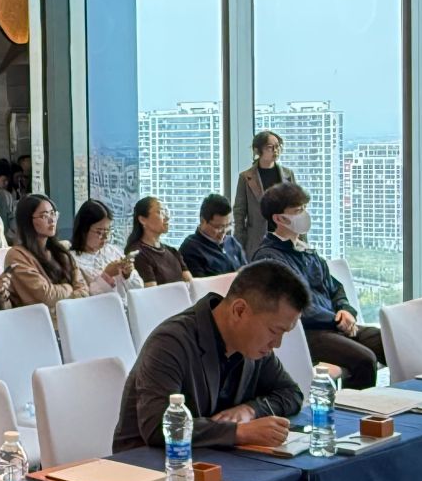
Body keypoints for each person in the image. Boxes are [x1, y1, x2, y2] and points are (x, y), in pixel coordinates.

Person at [112, 259, 309, 453]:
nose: (277, 344)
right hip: (150, 463)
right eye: (274, 331)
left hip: (214, 456)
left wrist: (251, 410)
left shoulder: (252, 345)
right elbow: (159, 427)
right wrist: (238, 432)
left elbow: (291, 393)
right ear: (239, 311)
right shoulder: (171, 342)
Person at [248, 182, 386, 388]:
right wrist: (336, 320)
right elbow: (294, 305)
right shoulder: (270, 257)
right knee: (364, 359)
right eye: (298, 210)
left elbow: (334, 287)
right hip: (307, 333)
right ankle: (353, 408)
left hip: (333, 325)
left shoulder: (305, 251)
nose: (304, 214)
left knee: (389, 342)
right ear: (279, 219)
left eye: (304, 208)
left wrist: (345, 311)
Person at [2, 194, 86, 309]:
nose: (52, 220)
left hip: (72, 313)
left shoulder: (61, 249)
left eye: (53, 213)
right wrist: (70, 288)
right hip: (40, 318)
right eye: (44, 216)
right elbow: (45, 296)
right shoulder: (16, 256)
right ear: (27, 221)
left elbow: (83, 288)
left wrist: (73, 294)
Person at [230, 130, 286, 258]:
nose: (276, 150)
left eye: (277, 146)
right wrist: (239, 245)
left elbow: (296, 209)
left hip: (283, 239)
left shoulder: (287, 175)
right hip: (257, 241)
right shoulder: (246, 177)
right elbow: (239, 213)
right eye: (270, 147)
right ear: (257, 150)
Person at [69, 199, 141, 296]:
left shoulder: (113, 251)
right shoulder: (72, 259)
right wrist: (106, 276)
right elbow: (84, 296)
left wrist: (128, 275)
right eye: (100, 232)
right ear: (83, 230)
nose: (106, 237)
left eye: (108, 231)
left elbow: (139, 288)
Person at [123, 197, 187, 286]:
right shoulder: (137, 253)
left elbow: (191, 283)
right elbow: (152, 291)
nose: (167, 217)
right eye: (160, 212)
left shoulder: (172, 251)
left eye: (166, 212)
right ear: (142, 220)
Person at [180, 193, 246, 278]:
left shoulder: (232, 242)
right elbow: (200, 284)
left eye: (228, 225)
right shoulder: (190, 249)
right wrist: (234, 277)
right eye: (218, 227)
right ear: (202, 221)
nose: (224, 232)